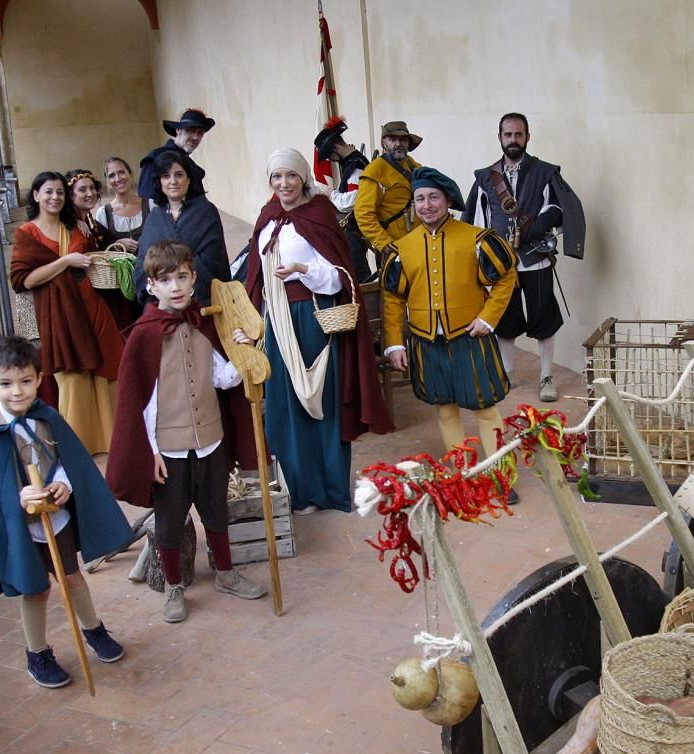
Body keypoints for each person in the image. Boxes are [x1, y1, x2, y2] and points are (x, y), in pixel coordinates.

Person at [0, 337, 131, 688]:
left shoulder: (46, 417)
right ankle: (38, 653)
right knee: (36, 589)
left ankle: (94, 631)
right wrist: (16, 496)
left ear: (39, 378)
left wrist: (64, 483)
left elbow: (66, 460)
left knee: (72, 576)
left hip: (54, 518)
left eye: (26, 381)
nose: (17, 392)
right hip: (20, 527)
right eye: (6, 383)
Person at [107, 240, 266, 624]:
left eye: (181, 277)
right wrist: (151, 453)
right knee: (170, 519)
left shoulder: (205, 322)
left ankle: (225, 573)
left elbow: (223, 379)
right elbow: (140, 403)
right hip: (170, 448)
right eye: (166, 280)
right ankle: (175, 585)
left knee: (215, 510)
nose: (175, 286)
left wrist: (245, 349)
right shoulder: (145, 335)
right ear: (151, 286)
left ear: (194, 278)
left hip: (210, 440)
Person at [243, 148, 392, 515]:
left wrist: (301, 269)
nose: (284, 184)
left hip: (312, 316)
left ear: (303, 177)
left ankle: (327, 490)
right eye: (276, 177)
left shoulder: (319, 214)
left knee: (319, 402)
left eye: (291, 176)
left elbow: (338, 276)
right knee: (286, 404)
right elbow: (254, 274)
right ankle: (299, 490)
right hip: (278, 318)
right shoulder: (267, 216)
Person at [382, 167, 519, 502]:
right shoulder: (402, 247)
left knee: (485, 408)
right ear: (413, 204)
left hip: (470, 336)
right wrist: (395, 342)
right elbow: (393, 297)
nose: (427, 205)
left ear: (447, 201)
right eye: (420, 199)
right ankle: (461, 475)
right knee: (444, 408)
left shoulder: (476, 238)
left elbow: (506, 276)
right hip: (425, 340)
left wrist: (488, 318)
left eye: (433, 197)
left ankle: (502, 476)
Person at [462, 112, 585, 403]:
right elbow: (477, 220)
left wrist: (532, 229)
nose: (513, 140)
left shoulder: (545, 172)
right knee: (505, 319)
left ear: (527, 137)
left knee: (543, 317)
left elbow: (557, 207)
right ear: (500, 137)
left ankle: (546, 376)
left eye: (519, 134)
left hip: (535, 259)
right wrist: (482, 255)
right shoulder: (484, 178)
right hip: (502, 264)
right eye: (508, 134)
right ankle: (506, 373)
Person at [10, 171, 123, 455]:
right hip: (59, 316)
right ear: (36, 195)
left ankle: (112, 441)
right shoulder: (27, 233)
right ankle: (78, 447)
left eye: (60, 192)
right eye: (48, 191)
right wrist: (65, 261)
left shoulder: (75, 228)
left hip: (91, 307)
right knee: (71, 378)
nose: (55, 197)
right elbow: (24, 280)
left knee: (105, 371)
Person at [134, 149, 229, 306]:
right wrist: (163, 285)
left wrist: (178, 279)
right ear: (160, 182)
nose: (173, 181)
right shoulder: (155, 216)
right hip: (160, 303)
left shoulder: (206, 211)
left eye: (179, 174)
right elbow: (143, 260)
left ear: (189, 179)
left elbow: (213, 259)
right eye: (166, 176)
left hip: (199, 301)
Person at [66, 168, 136, 331]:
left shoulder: (89, 220)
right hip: (92, 296)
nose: (90, 193)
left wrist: (119, 242)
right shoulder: (75, 227)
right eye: (82, 190)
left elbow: (104, 243)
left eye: (92, 188)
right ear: (71, 195)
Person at [314, 116, 375, 283]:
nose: (332, 160)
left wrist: (330, 194)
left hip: (354, 231)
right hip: (351, 230)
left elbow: (350, 202)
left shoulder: (355, 168)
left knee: (360, 279)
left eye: (331, 155)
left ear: (336, 147)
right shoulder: (351, 164)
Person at [354, 120, 423, 261]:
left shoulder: (413, 165)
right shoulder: (374, 172)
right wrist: (387, 245)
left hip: (420, 242)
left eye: (403, 139)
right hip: (396, 249)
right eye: (392, 139)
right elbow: (363, 215)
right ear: (384, 143)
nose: (398, 144)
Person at [137, 107, 213, 202]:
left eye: (200, 133)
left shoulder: (188, 162)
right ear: (178, 130)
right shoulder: (155, 158)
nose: (196, 137)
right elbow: (147, 201)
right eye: (191, 130)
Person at [95, 156, 152, 252]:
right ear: (108, 182)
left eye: (121, 172)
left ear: (130, 174)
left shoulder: (151, 206)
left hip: (151, 265)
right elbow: (100, 247)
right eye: (111, 175)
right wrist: (116, 244)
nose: (118, 179)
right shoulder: (103, 213)